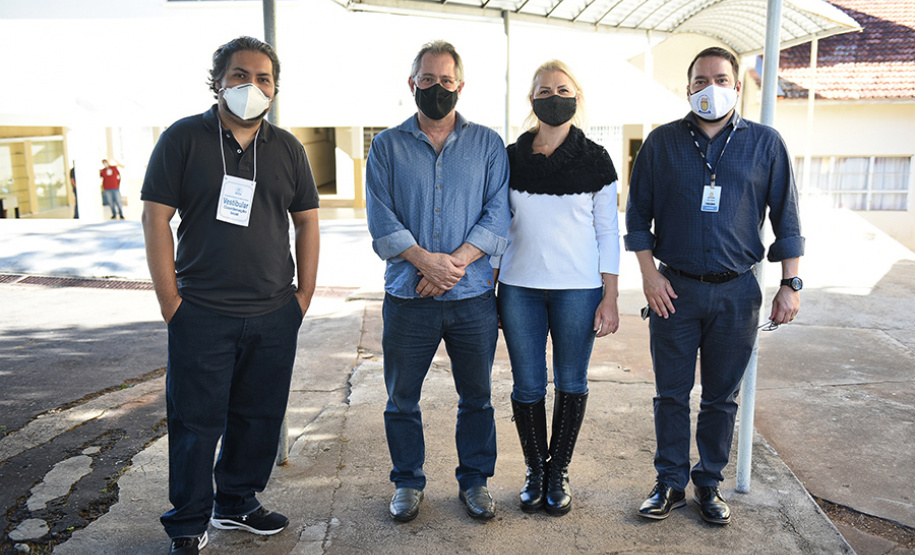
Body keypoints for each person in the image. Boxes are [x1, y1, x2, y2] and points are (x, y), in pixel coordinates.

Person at [140, 36, 320, 555]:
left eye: (263, 78)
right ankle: (188, 523)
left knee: (259, 416)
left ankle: (237, 501)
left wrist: (302, 296)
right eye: (240, 75)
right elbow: (156, 217)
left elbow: (306, 221)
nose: (252, 86)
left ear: (275, 88)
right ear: (218, 82)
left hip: (273, 313)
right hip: (201, 313)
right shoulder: (183, 139)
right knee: (196, 423)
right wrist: (170, 302)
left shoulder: (287, 148)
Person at [625, 46, 804, 526]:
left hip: (737, 292)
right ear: (688, 88)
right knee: (670, 394)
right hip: (673, 291)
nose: (711, 88)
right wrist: (649, 275)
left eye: (721, 79)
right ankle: (669, 484)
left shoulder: (766, 144)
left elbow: (787, 217)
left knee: (722, 396)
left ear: (737, 86)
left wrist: (791, 283)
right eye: (700, 80)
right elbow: (637, 217)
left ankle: (708, 483)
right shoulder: (661, 144)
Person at [365, 40, 510, 523]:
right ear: (412, 84)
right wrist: (425, 262)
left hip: (471, 299)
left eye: (446, 81)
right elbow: (380, 217)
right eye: (427, 80)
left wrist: (452, 266)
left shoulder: (488, 144)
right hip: (408, 297)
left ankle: (475, 480)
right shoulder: (386, 146)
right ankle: (407, 481)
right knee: (401, 398)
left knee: (478, 397)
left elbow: (498, 213)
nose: (436, 88)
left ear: (460, 86)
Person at [492, 60, 620, 516]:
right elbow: (496, 224)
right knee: (527, 384)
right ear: (532, 100)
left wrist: (611, 295)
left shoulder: (596, 158)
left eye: (562, 88)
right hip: (518, 288)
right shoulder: (508, 158)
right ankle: (535, 471)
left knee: (571, 381)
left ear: (576, 97)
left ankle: (558, 470)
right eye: (543, 90)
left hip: (579, 290)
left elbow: (608, 232)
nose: (553, 95)